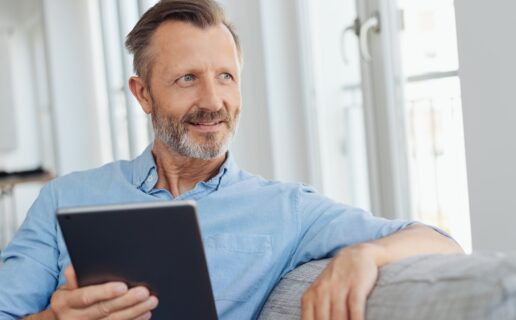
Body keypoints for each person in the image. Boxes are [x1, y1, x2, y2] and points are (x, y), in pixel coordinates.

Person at [0, 0, 463, 319]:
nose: (213, 100)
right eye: (187, 79)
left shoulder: (286, 209)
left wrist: (367, 253)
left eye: (226, 76)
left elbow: (441, 242)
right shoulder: (65, 197)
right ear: (142, 94)